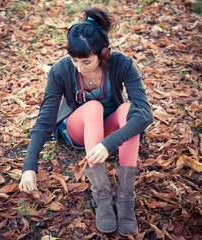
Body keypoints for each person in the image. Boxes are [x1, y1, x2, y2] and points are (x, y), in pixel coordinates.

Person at [19, 7, 153, 236]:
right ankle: (101, 196)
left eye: (86, 61)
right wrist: (29, 166)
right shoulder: (61, 70)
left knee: (130, 109)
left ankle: (125, 200)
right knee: (93, 107)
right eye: (74, 60)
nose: (79, 68)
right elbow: (45, 119)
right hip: (79, 127)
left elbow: (145, 114)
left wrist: (108, 144)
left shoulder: (122, 64)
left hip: (107, 132)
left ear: (103, 54)